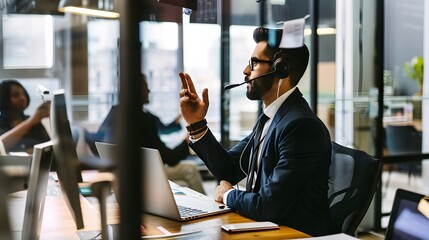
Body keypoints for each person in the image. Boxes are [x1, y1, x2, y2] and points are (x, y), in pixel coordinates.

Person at [178, 27, 332, 236]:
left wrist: (228, 195)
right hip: (267, 229)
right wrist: (197, 124)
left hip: (293, 234)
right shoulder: (270, 118)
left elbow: (268, 206)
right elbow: (230, 170)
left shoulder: (301, 126)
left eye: (254, 63)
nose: (245, 70)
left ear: (280, 69)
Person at [86, 73, 205, 194]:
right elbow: (168, 158)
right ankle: (211, 210)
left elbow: (98, 142)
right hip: (141, 174)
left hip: (118, 173)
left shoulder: (115, 111)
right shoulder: (144, 120)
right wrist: (186, 142)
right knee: (191, 168)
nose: (149, 90)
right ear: (136, 90)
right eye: (145, 87)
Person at [0, 79, 51, 154]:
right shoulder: (33, 120)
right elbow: (1, 147)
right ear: (4, 99)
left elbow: (48, 147)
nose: (22, 98)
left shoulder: (35, 122)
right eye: (15, 95)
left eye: (23, 94)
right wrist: (31, 121)